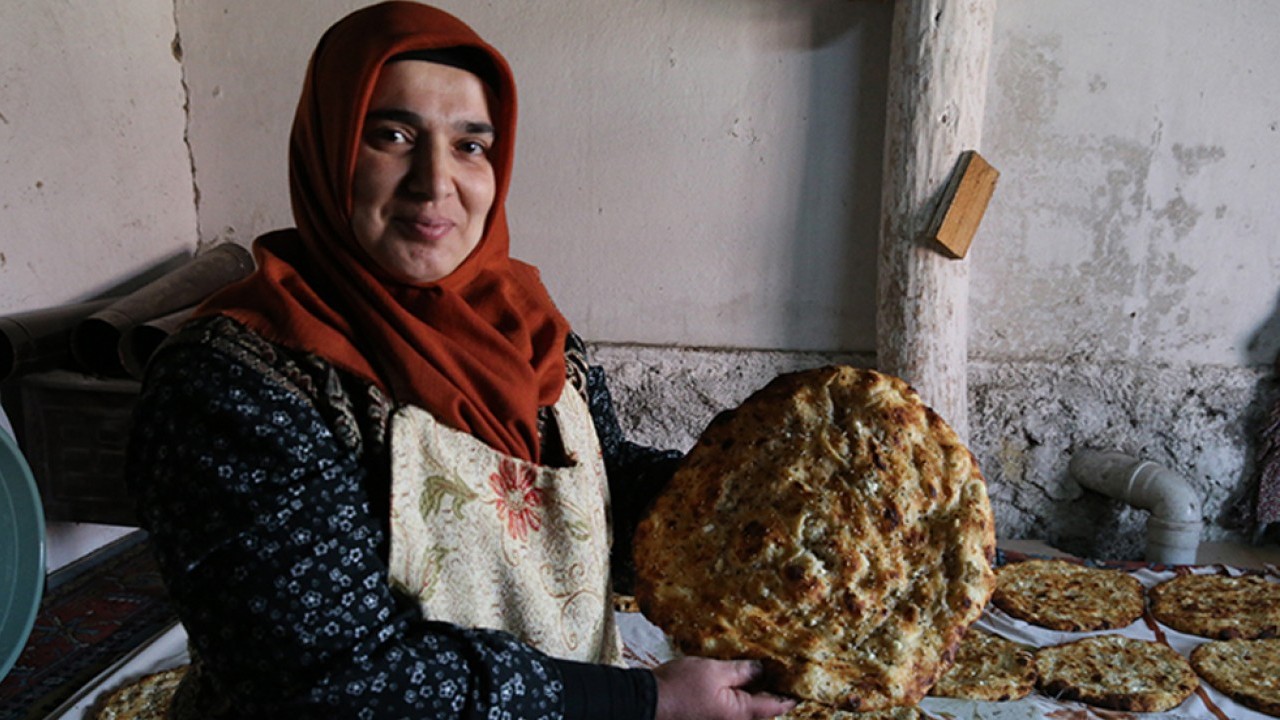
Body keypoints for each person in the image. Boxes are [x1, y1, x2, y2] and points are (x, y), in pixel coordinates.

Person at [126, 3, 798, 719]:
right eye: (391, 135)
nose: (434, 181)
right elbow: (329, 682)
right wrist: (643, 701)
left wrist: (758, 507)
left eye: (471, 145)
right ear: (329, 148)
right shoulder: (234, 384)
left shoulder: (527, 329)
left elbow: (595, 496)